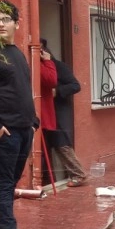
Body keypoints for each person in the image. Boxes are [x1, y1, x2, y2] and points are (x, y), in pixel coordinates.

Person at [0, 0, 41, 229]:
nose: (1, 23)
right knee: (3, 184)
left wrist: (32, 119)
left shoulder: (16, 53)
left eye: (6, 19)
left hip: (23, 129)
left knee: (10, 183)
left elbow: (19, 90)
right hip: (4, 131)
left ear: (17, 24)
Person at [40, 39, 87, 187]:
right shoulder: (37, 68)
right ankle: (48, 180)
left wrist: (57, 91)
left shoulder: (59, 66)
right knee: (44, 147)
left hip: (59, 111)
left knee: (62, 144)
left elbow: (75, 85)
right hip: (45, 111)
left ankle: (79, 175)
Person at [38, 44, 58, 186]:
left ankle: (47, 182)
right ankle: (44, 182)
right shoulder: (38, 64)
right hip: (40, 116)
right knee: (42, 153)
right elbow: (51, 80)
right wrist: (48, 61)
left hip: (43, 116)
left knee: (45, 152)